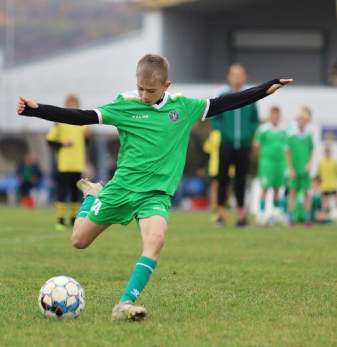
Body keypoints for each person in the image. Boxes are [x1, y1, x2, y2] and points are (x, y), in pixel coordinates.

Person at [17, 54, 292, 321]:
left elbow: (226, 102)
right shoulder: (125, 104)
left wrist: (265, 89)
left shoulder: (183, 108)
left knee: (156, 241)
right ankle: (91, 196)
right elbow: (82, 116)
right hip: (121, 189)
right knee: (78, 241)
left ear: (166, 86)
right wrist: (36, 110)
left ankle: (124, 303)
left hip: (155, 195)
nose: (145, 95)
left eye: (151, 90)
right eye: (140, 89)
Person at [212, 64, 260, 227]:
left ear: (245, 77)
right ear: (229, 77)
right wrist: (226, 132)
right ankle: (220, 216)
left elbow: (255, 119)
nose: (238, 78)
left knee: (241, 180)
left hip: (244, 145)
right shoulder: (222, 94)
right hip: (226, 144)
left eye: (241, 74)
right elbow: (214, 118)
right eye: (235, 74)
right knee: (222, 178)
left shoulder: (250, 95)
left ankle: (241, 216)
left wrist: (248, 134)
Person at [46, 93, 89, 231]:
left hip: (77, 163)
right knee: (62, 192)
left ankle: (73, 219)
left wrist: (87, 138)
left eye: (74, 104)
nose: (72, 107)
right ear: (66, 106)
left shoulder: (82, 122)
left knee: (76, 193)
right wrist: (63, 143)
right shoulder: (60, 122)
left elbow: (85, 143)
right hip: (64, 164)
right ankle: (60, 220)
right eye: (70, 104)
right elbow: (50, 141)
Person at [253, 106, 287, 221]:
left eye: (277, 115)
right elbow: (256, 146)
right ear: (269, 115)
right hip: (267, 162)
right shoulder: (263, 129)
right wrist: (262, 159)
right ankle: (261, 213)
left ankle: (277, 213)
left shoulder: (284, 130)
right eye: (273, 114)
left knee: (277, 188)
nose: (275, 117)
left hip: (280, 162)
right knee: (265, 188)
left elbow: (287, 148)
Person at [285, 109, 314, 226]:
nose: (301, 122)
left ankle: (307, 218)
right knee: (292, 193)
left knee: (307, 193)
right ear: (296, 121)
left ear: (306, 121)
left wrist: (309, 164)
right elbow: (287, 152)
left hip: (304, 170)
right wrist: (290, 168)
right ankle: (291, 218)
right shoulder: (291, 136)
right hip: (295, 169)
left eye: (304, 120)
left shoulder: (308, 136)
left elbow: (312, 151)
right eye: (299, 119)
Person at [317, 146, 337, 213]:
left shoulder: (334, 161)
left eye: (328, 152)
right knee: (326, 199)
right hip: (325, 184)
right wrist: (319, 184)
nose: (327, 153)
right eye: (326, 152)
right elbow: (319, 173)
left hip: (333, 183)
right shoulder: (321, 162)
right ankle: (327, 212)